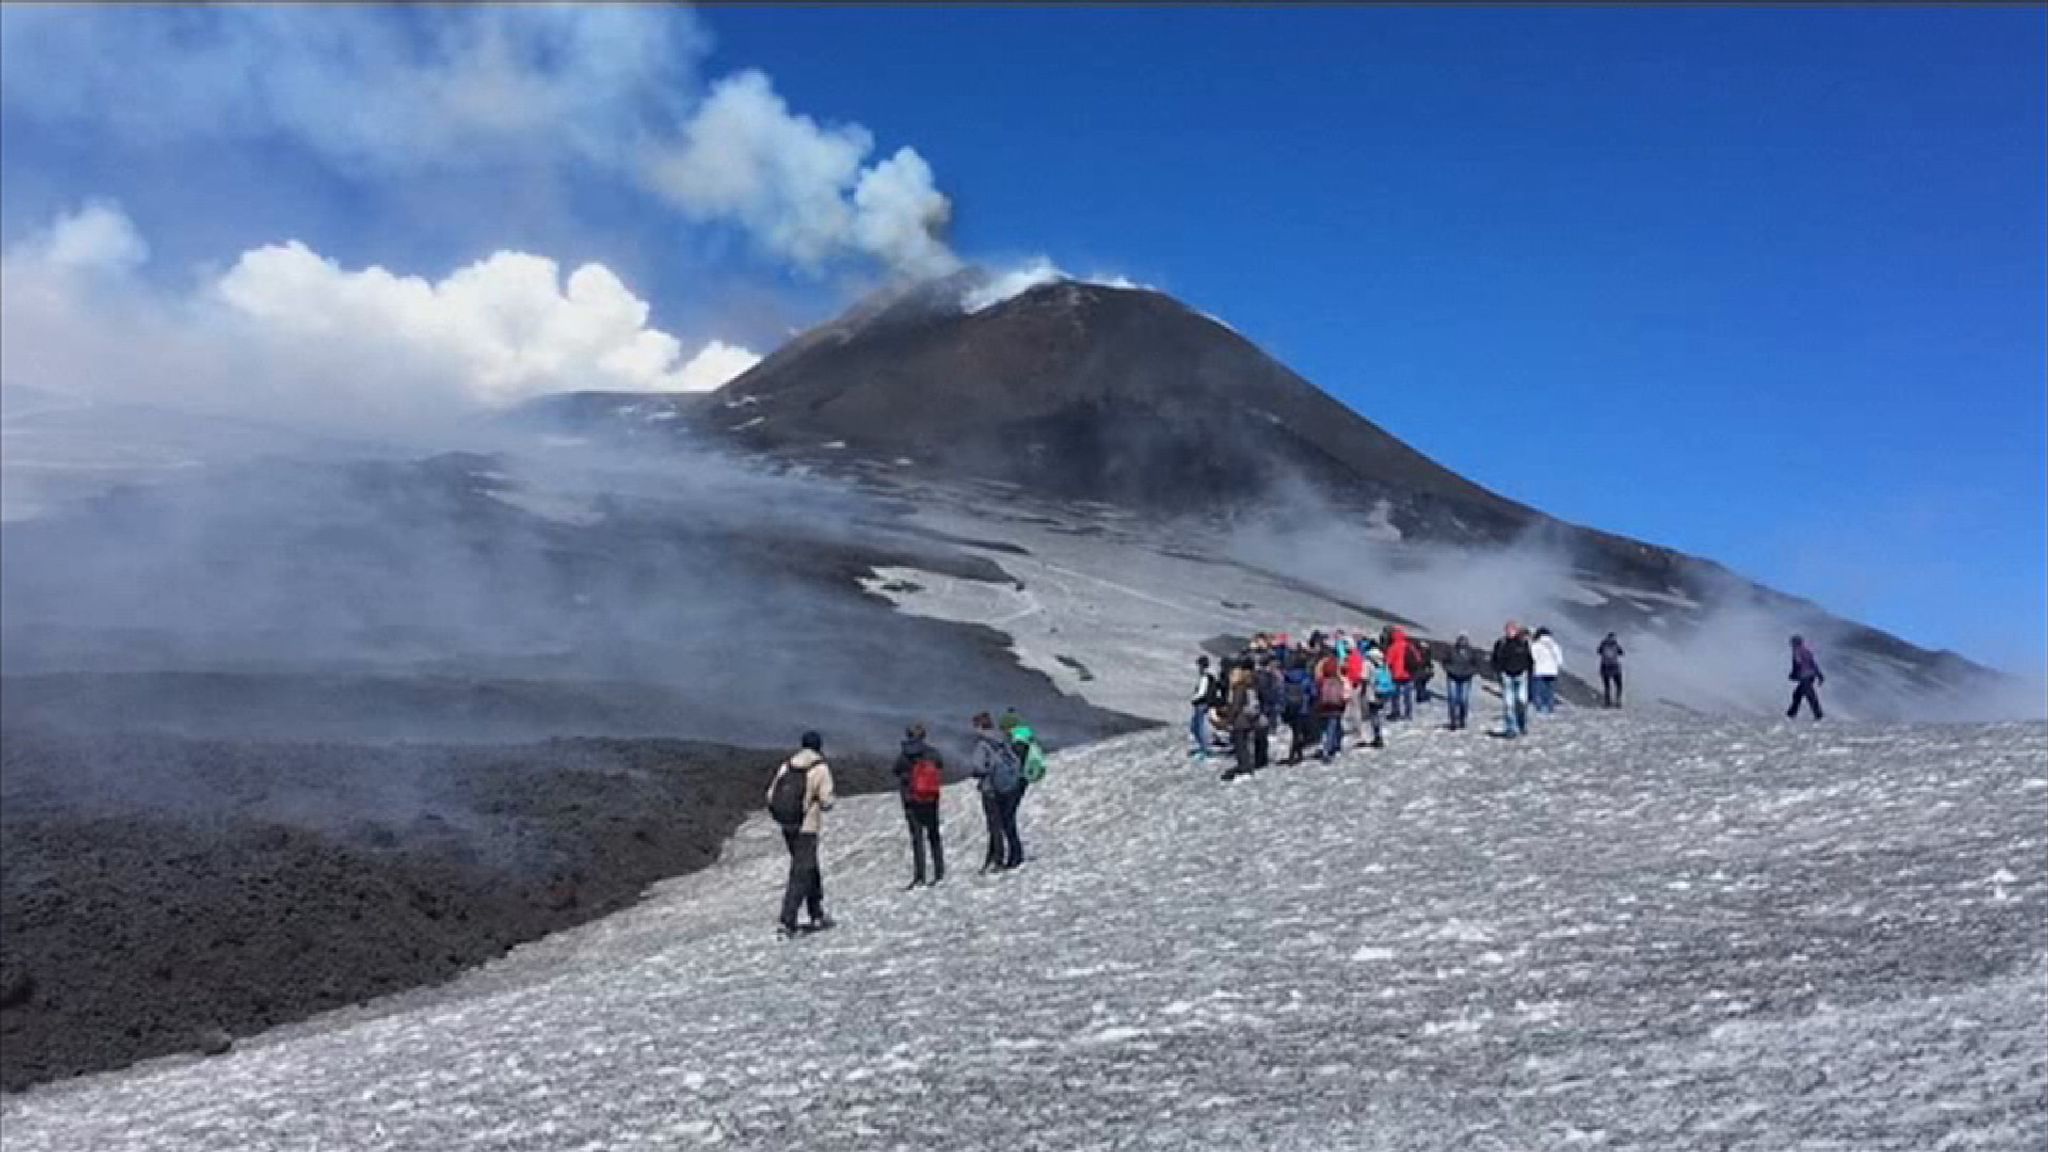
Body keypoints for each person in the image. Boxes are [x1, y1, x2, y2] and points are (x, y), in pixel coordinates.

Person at [767, 731, 836, 938]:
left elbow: (770, 795)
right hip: (807, 827)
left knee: (809, 868)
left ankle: (816, 912)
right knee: (801, 872)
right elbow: (826, 801)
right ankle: (787, 921)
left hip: (788, 825)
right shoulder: (820, 768)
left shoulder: (787, 766)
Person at [892, 724, 945, 889]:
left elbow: (895, 770)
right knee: (934, 834)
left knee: (917, 838)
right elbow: (940, 765)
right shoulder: (932, 752)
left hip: (911, 799)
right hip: (930, 798)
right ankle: (939, 871)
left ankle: (920, 875)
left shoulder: (904, 754)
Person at [971, 712, 1027, 869]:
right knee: (1006, 821)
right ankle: (1014, 854)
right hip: (1007, 787)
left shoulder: (982, 744)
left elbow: (979, 766)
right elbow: (1015, 761)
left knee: (994, 825)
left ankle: (997, 859)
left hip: (990, 788)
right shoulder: (1003, 739)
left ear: (979, 727)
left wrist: (978, 774)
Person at [1221, 660, 1262, 781]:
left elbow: (1236, 706)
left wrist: (1229, 719)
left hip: (1240, 720)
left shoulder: (1239, 687)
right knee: (1244, 745)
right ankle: (1246, 767)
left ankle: (1245, 769)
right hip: (1248, 719)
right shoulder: (1249, 686)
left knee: (1240, 746)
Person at [1491, 622, 1534, 737]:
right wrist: (1498, 671)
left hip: (1521, 675)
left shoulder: (1523, 643)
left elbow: (1529, 659)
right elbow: (1495, 658)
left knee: (1521, 701)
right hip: (1507, 675)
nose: (1510, 632)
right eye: (1508, 629)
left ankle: (1521, 724)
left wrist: (1529, 671)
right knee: (1509, 704)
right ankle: (1511, 728)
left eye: (1512, 629)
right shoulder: (1501, 643)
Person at [1313, 647, 1349, 761]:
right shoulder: (1339, 680)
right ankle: (1331, 747)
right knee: (1334, 725)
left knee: (1327, 727)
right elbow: (1344, 694)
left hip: (1324, 705)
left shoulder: (1322, 680)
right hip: (1336, 705)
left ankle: (1330, 746)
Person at [1281, 653, 1316, 764]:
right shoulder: (1306, 677)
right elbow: (1313, 692)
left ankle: (1297, 754)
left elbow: (1281, 692)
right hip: (1303, 707)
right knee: (1302, 733)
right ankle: (1293, 755)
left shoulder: (1286, 677)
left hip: (1289, 707)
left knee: (1295, 732)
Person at [1441, 633, 1480, 730]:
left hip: (1466, 678)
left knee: (1463, 699)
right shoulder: (1451, 651)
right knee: (1453, 699)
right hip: (1452, 677)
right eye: (1460, 641)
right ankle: (1453, 721)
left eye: (1464, 642)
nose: (1462, 643)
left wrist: (1470, 672)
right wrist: (1449, 670)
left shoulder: (1471, 652)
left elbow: (1476, 664)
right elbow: (1445, 662)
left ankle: (1462, 718)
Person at [1189, 655, 1221, 759]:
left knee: (1199, 727)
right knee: (1198, 726)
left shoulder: (1205, 677)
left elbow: (1202, 692)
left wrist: (1193, 699)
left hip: (1202, 704)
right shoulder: (1211, 675)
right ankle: (1203, 747)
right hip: (1205, 704)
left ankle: (1204, 749)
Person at [1787, 635, 1825, 720]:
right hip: (1811, 676)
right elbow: (1813, 664)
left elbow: (1798, 663)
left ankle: (1819, 716)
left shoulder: (1796, 651)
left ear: (1795, 643)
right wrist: (1820, 675)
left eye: (1792, 643)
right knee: (1797, 695)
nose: (1791, 645)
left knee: (1810, 696)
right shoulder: (1807, 651)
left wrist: (1793, 674)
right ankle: (1791, 714)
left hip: (1804, 677)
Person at [1530, 627, 1564, 714]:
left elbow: (1533, 658)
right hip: (1552, 672)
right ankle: (1549, 708)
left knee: (1539, 691)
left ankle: (1539, 708)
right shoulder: (1555, 646)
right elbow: (1559, 660)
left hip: (1540, 671)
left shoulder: (1536, 645)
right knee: (1550, 691)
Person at [1386, 627, 1416, 721]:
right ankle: (1408, 714)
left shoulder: (1393, 647)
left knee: (1395, 696)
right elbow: (1417, 659)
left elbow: (1388, 661)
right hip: (1408, 675)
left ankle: (1396, 713)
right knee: (1408, 696)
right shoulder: (1409, 646)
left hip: (1396, 675)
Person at [1597, 633, 1625, 708]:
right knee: (1619, 685)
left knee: (1607, 686)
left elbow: (1598, 652)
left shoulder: (1603, 645)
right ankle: (1618, 701)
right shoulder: (1616, 645)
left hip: (1604, 668)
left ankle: (1607, 702)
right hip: (1615, 668)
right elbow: (1622, 653)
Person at [1411, 640, 1436, 706]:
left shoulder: (1418, 652)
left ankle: (1419, 697)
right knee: (1421, 684)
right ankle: (1420, 697)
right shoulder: (1426, 653)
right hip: (1422, 671)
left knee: (1420, 684)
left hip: (1420, 672)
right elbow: (1428, 663)